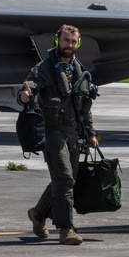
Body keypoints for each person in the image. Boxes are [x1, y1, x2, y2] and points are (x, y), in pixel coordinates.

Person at [20, 24, 99, 245]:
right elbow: (26, 91)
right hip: (52, 130)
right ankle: (66, 229)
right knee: (64, 177)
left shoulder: (78, 69)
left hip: (73, 131)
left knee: (66, 180)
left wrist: (91, 133)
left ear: (78, 44)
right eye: (66, 41)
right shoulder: (43, 68)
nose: (69, 45)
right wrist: (25, 97)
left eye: (73, 42)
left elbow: (84, 105)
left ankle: (37, 214)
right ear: (58, 41)